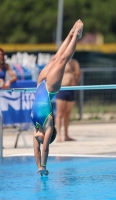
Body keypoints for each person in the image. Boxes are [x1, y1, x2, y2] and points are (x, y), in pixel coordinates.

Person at [31, 19, 83, 176]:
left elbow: (36, 150)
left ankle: (70, 33)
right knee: (62, 60)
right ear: (48, 135)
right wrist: (44, 167)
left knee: (55, 58)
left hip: (40, 83)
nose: (38, 142)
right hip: (49, 89)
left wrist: (38, 167)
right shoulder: (48, 124)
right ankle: (76, 36)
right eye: (41, 140)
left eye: (38, 140)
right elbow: (45, 148)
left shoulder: (35, 126)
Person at [56, 58, 81, 142]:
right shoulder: (61, 61)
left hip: (71, 89)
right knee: (60, 113)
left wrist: (75, 84)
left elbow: (78, 74)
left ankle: (66, 135)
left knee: (67, 114)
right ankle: (59, 135)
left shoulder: (74, 62)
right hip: (62, 88)